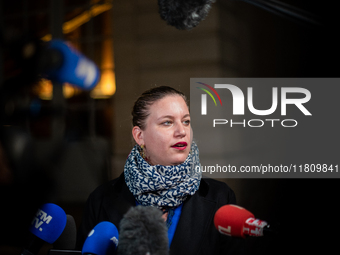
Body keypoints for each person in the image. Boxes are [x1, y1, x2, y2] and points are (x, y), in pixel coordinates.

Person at [76, 86, 244, 254]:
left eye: (186, 121)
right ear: (139, 136)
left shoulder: (220, 197)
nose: (181, 131)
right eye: (167, 122)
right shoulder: (101, 200)